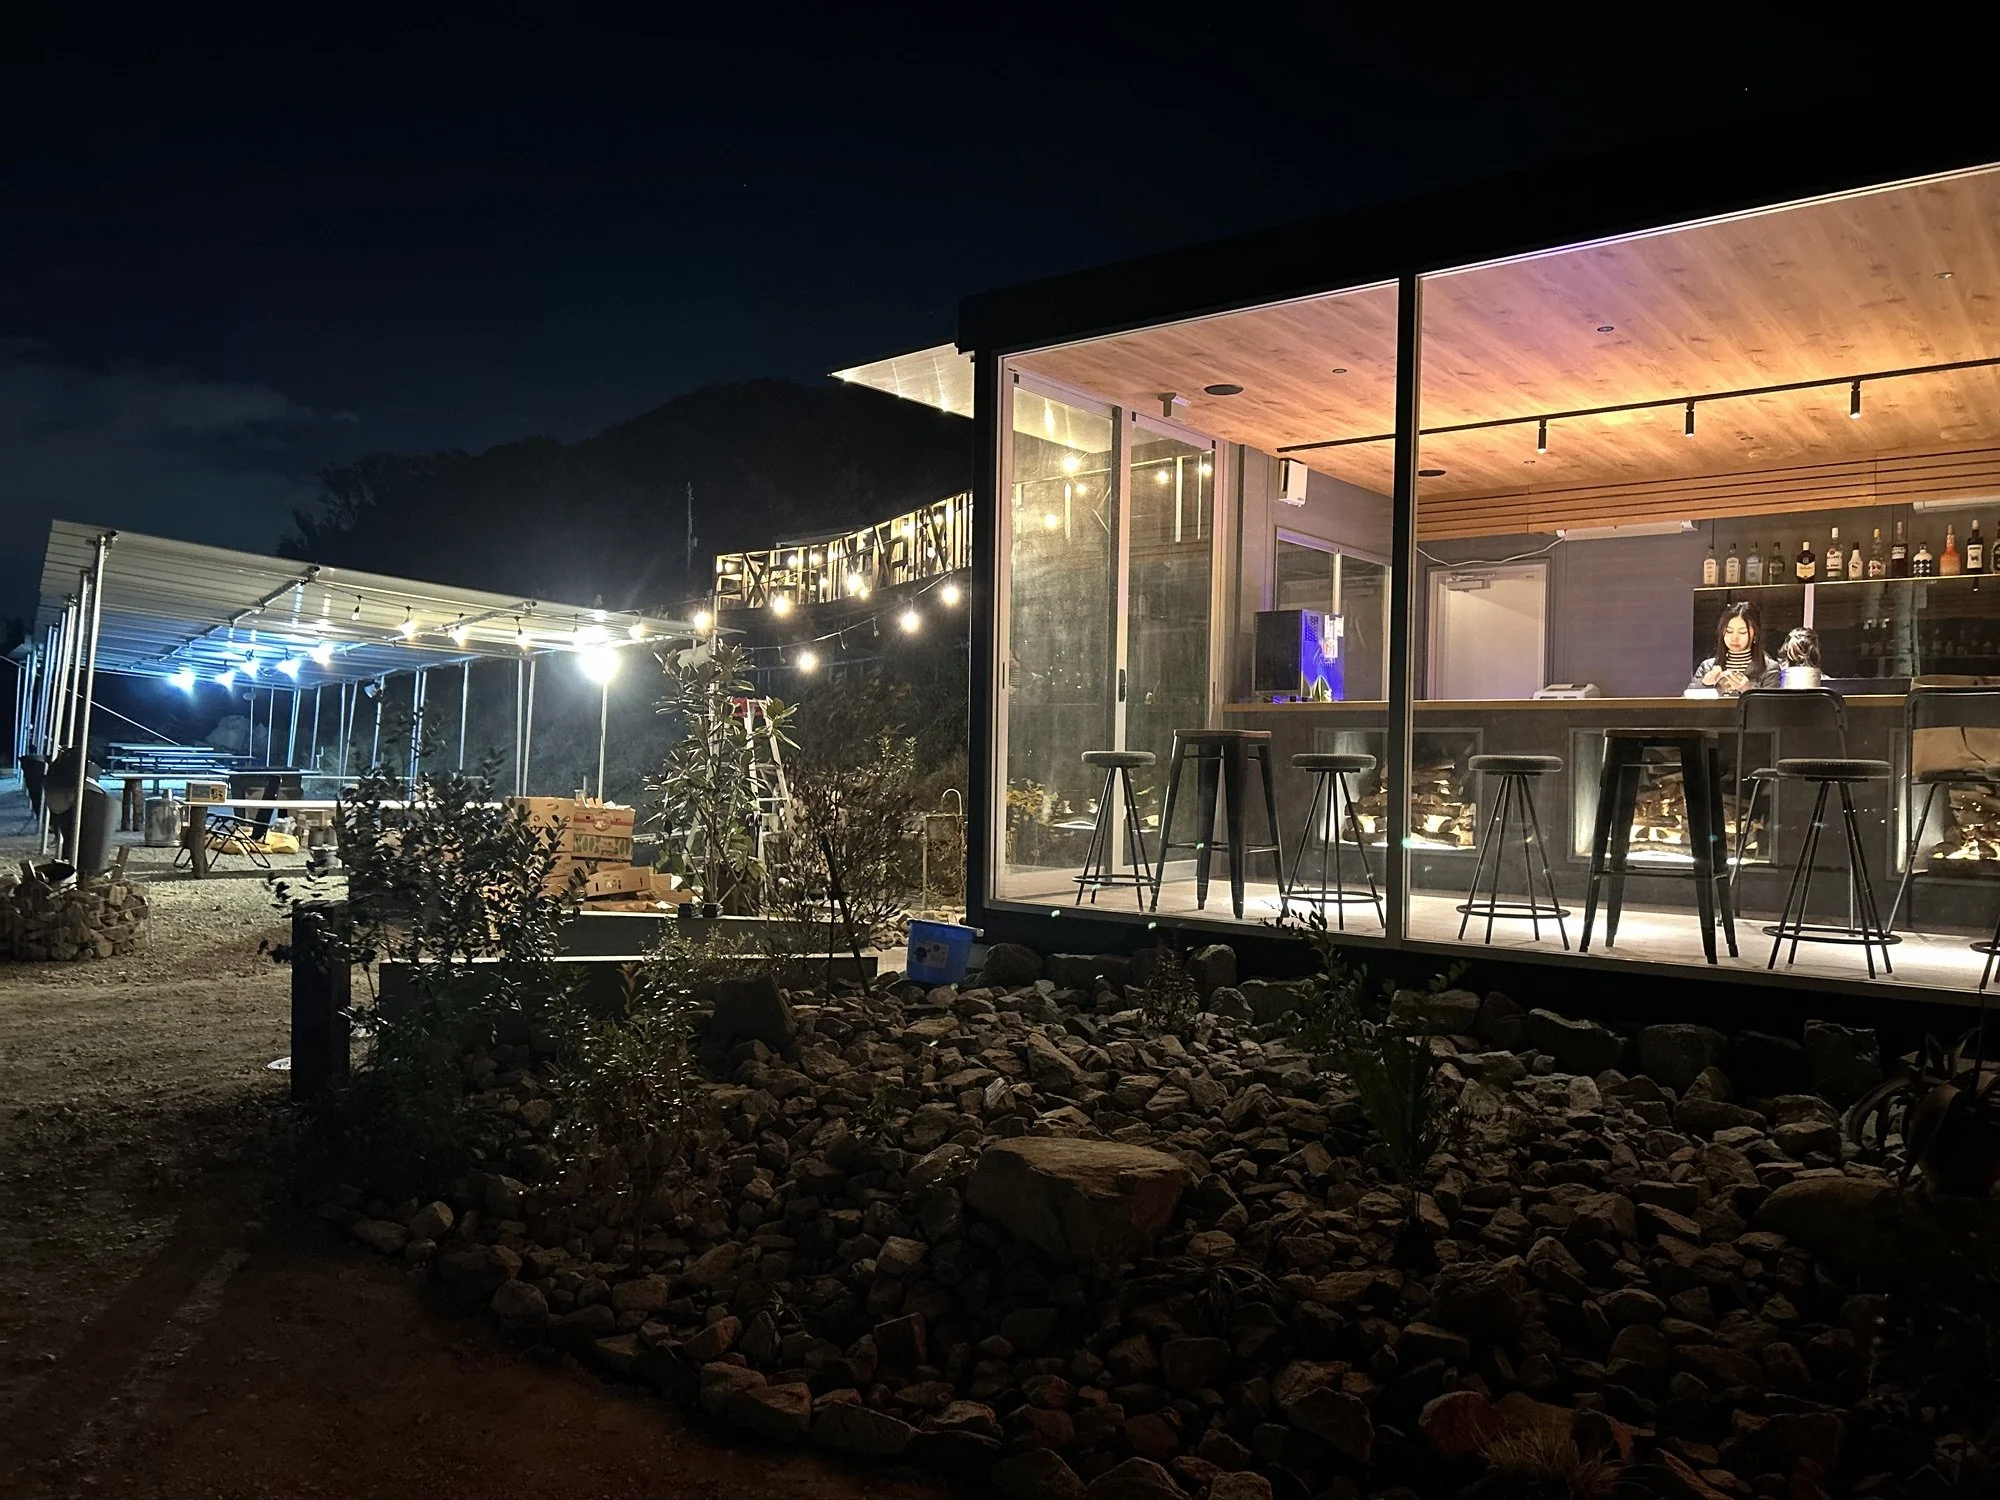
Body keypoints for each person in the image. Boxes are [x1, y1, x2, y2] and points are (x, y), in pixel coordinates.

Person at [1689, 601, 1780, 696]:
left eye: (1742, 632)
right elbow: (1685, 702)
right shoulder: (1707, 667)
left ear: (1755, 634)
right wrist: (1704, 684)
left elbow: (1771, 704)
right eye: (1729, 631)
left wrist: (1748, 690)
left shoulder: (1769, 669)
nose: (1734, 638)